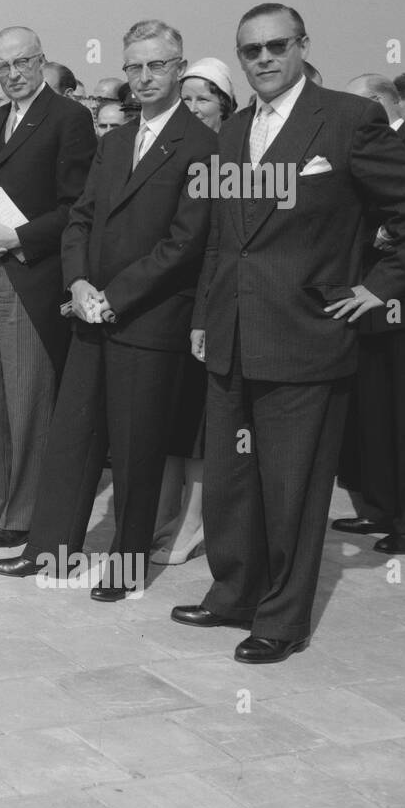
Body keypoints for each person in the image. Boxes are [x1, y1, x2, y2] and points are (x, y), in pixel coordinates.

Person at [177, 2, 405, 663]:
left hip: (305, 335)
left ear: (301, 46)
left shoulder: (349, 120)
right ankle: (233, 591)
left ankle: (282, 617)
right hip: (234, 332)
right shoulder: (233, 132)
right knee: (234, 479)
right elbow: (222, 238)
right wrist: (206, 316)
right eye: (251, 51)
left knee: (292, 486)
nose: (263, 59)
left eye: (275, 46)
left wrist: (378, 289)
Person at [0, 20, 215, 597]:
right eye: (135, 66)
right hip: (88, 313)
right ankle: (50, 553)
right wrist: (80, 284)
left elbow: (184, 242)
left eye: (156, 65)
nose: (144, 77)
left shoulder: (202, 146)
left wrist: (114, 296)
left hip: (148, 320)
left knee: (137, 450)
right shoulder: (114, 142)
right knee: (72, 439)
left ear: (178, 66)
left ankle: (127, 564)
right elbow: (80, 219)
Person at [0, 26, 97, 548]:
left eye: (22, 63)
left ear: (41, 61)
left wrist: (21, 237)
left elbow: (77, 206)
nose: (12, 74)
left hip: (28, 271)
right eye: (2, 66)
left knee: (28, 394)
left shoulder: (69, 118)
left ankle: (26, 509)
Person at [334, 73, 405, 556]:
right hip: (371, 298)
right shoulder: (360, 150)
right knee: (377, 410)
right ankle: (381, 508)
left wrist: (375, 229)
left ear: (381, 104)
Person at [147, 57, 238, 565]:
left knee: (202, 425)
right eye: (187, 96)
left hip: (212, 305)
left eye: (204, 97)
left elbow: (217, 244)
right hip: (170, 305)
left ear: (224, 104)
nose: (194, 106)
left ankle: (193, 525)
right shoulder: (174, 150)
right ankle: (166, 519)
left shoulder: (233, 156)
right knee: (176, 418)